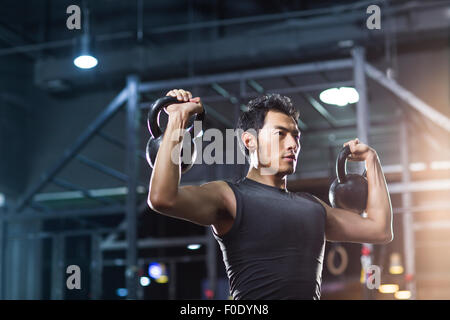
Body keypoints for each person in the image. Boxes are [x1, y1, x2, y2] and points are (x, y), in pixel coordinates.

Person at [148, 88, 393, 300]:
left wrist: (372, 161)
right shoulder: (230, 197)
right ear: (249, 141)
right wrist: (177, 121)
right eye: (281, 134)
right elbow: (162, 198)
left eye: (296, 136)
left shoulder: (313, 207)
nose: (293, 144)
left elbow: (379, 229)